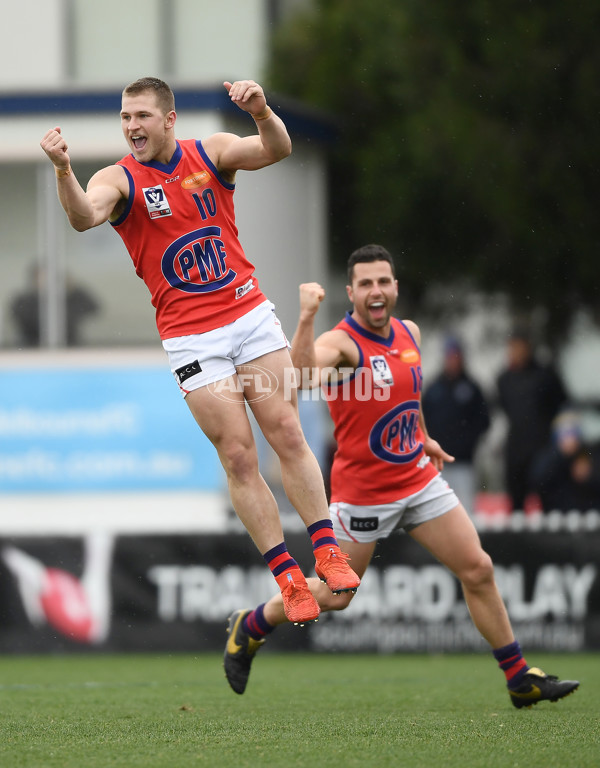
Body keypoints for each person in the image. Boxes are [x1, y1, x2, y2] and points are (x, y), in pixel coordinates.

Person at [40, 77, 360, 625]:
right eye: (125, 117)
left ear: (169, 119)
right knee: (237, 454)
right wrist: (63, 171)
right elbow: (82, 217)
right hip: (193, 338)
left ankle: (327, 549)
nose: (132, 127)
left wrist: (261, 111)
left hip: (248, 315)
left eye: (141, 116)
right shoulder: (117, 178)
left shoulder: (209, 152)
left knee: (285, 431)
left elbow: (278, 148)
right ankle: (288, 576)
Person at [223, 244, 579, 709]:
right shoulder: (341, 343)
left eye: (383, 281)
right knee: (334, 598)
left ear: (395, 288)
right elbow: (303, 378)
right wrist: (307, 317)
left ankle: (518, 678)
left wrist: (424, 436)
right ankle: (251, 626)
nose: (376, 290)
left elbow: (408, 399)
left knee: (479, 569)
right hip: (363, 497)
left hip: (417, 478)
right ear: (351, 292)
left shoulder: (408, 333)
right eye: (366, 283)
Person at [496, 329, 568, 512]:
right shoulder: (504, 379)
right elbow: (503, 408)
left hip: (542, 449)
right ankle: (517, 542)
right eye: (512, 348)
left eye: (519, 347)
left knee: (549, 501)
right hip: (516, 449)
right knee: (516, 504)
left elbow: (561, 407)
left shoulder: (545, 375)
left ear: (528, 348)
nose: (515, 352)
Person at [422, 335, 490, 514]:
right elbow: (421, 423)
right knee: (437, 513)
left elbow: (483, 421)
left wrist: (467, 443)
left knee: (467, 513)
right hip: (438, 464)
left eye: (456, 356)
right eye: (449, 356)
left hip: (464, 463)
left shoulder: (472, 387)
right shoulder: (434, 388)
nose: (452, 360)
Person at [10, 264, 99, 346]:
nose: (47, 282)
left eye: (52, 278)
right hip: (32, 347)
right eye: (42, 278)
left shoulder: (71, 296)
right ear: (34, 279)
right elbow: (29, 322)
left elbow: (94, 308)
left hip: (71, 345)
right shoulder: (23, 300)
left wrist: (72, 289)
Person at [530, 410, 600, 512]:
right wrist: (560, 455)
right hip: (556, 516)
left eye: (573, 432)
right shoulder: (548, 456)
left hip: (588, 516)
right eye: (565, 433)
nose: (570, 438)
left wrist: (590, 475)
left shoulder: (588, 454)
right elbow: (536, 482)